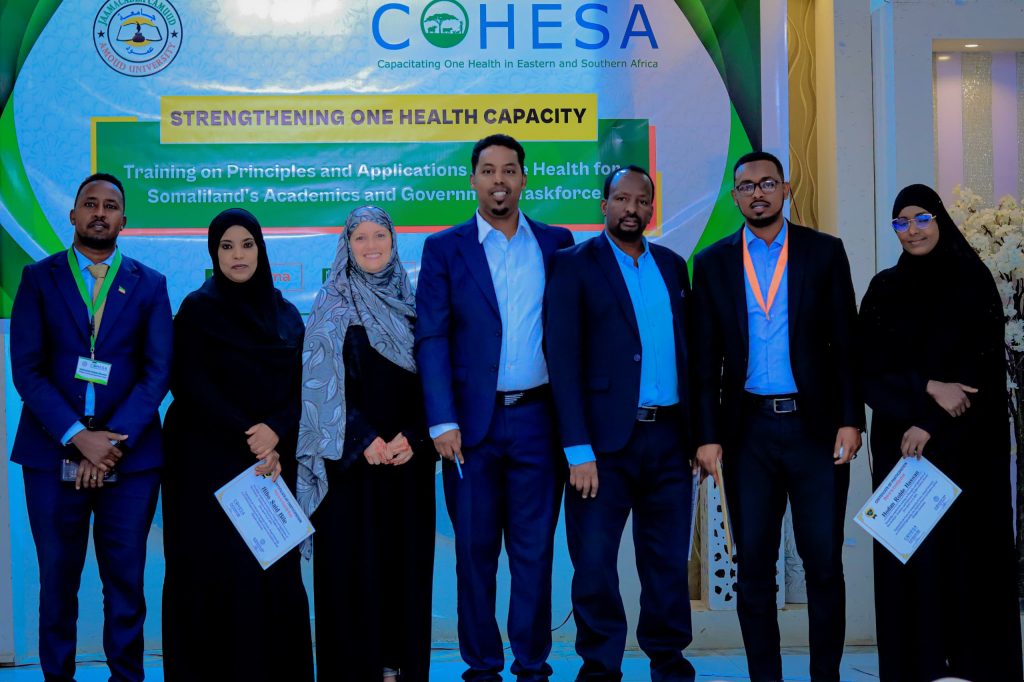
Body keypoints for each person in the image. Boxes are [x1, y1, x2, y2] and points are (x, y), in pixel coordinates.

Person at [691, 151, 863, 682]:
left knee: (823, 564)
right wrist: (707, 435)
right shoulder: (714, 262)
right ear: (736, 196)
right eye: (747, 186)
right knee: (753, 569)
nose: (758, 193)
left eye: (768, 183)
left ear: (786, 190)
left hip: (817, 430)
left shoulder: (824, 252)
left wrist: (851, 419)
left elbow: (847, 343)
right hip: (748, 434)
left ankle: (825, 677)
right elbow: (704, 360)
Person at [414, 134, 574, 681]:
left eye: (509, 170)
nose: (499, 180)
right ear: (473, 180)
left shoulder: (557, 243)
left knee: (534, 554)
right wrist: (441, 420)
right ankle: (482, 667)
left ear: (524, 179)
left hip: (538, 422)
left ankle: (532, 665)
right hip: (468, 430)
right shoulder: (444, 248)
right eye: (488, 170)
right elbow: (432, 337)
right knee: (474, 555)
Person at [9, 172, 172, 682]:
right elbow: (27, 370)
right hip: (50, 453)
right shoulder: (39, 279)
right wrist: (79, 438)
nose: (100, 212)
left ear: (124, 220)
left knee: (125, 584)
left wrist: (109, 443)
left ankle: (126, 677)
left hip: (131, 459)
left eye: (110, 206)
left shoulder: (150, 284)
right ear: (73, 214)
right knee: (57, 583)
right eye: (90, 203)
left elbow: (157, 373)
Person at [859, 184, 1023, 682]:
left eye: (921, 218)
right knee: (915, 567)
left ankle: (975, 670)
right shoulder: (884, 289)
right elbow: (866, 367)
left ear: (940, 220)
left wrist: (928, 423)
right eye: (900, 222)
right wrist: (926, 389)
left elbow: (980, 372)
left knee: (968, 565)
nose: (911, 230)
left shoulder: (973, 281)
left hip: (965, 450)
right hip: (905, 454)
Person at [545, 166, 697, 682]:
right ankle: (600, 668)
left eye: (642, 200)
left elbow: (690, 355)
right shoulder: (573, 264)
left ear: (652, 207)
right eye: (622, 199)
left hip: (670, 441)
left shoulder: (673, 266)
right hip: (600, 448)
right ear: (604, 204)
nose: (632, 209)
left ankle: (669, 665)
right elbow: (562, 358)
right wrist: (577, 448)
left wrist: (698, 436)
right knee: (593, 565)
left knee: (667, 564)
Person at [161, 208, 313, 681]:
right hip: (204, 469)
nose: (238, 255)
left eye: (247, 244)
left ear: (261, 250)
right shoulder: (197, 311)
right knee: (208, 578)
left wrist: (276, 432)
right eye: (226, 246)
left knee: (271, 579)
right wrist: (252, 434)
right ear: (214, 254)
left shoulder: (286, 315)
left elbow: (304, 387)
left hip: (270, 466)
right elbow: (190, 383)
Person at [296, 206, 435, 682]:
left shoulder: (415, 306)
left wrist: (415, 437)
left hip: (407, 467)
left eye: (380, 236)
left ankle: (400, 670)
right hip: (349, 469)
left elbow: (435, 383)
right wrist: (362, 437)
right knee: (351, 574)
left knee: (403, 572)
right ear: (346, 246)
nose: (371, 245)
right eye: (360, 237)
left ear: (394, 242)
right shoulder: (331, 305)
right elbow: (315, 388)